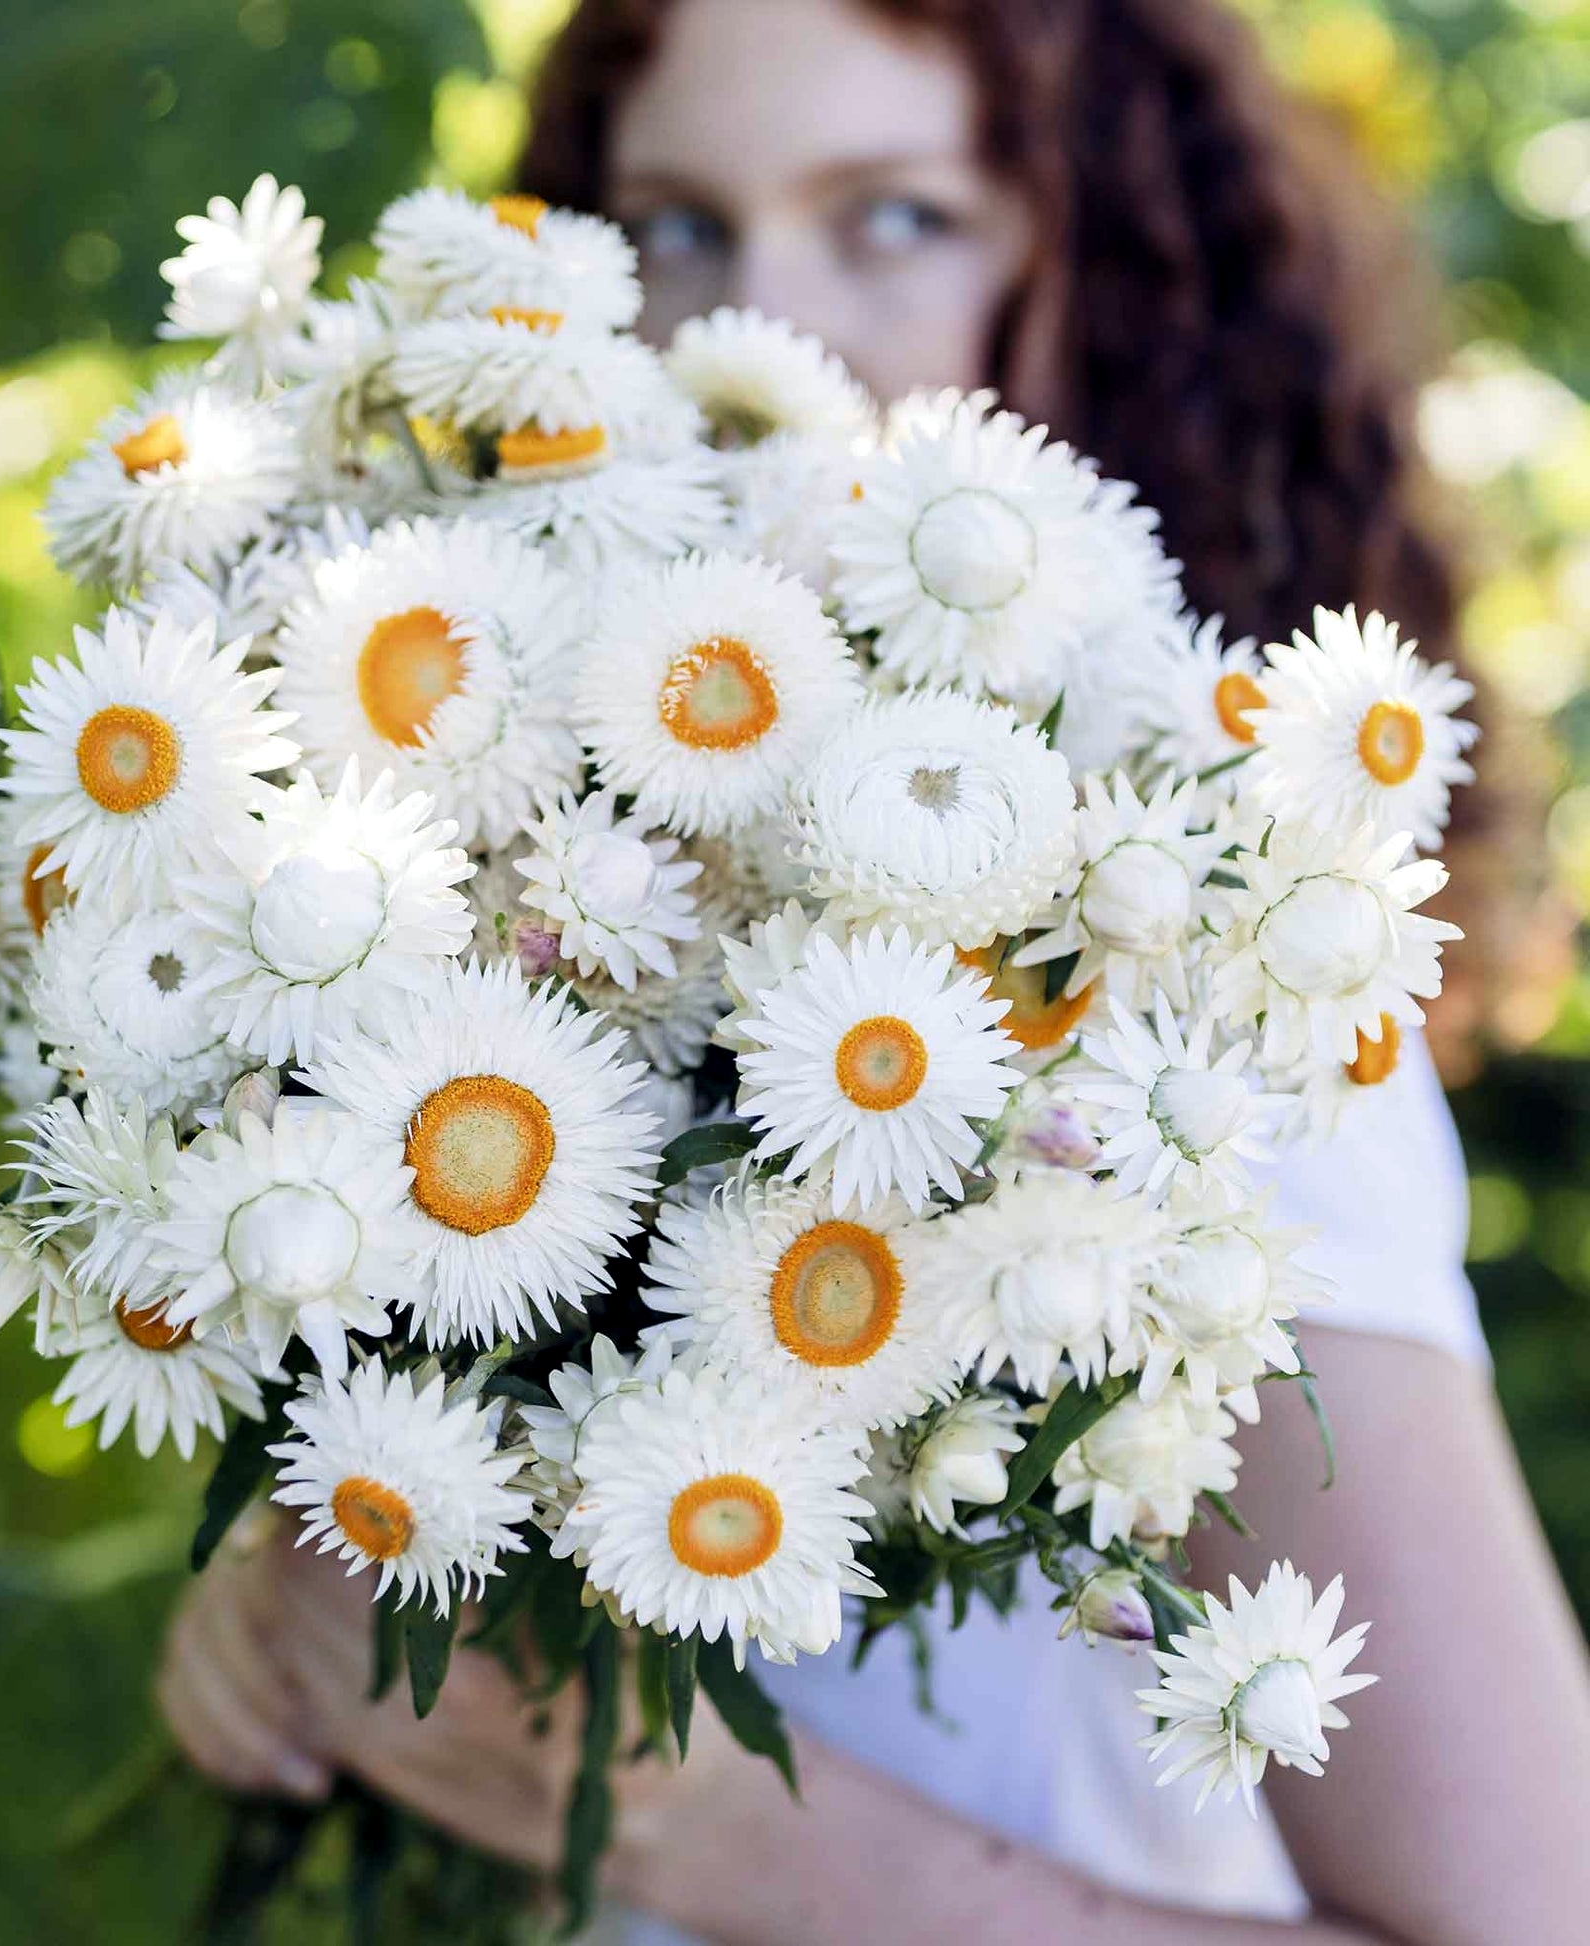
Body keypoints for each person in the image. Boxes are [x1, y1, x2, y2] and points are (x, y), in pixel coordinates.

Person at [159, 3, 1590, 1938]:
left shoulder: (1198, 1020)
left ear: (1109, 281)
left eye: (896, 218)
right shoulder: (503, 902)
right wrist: (314, 1594)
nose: (768, 332)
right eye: (675, 226)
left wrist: (700, 1823)